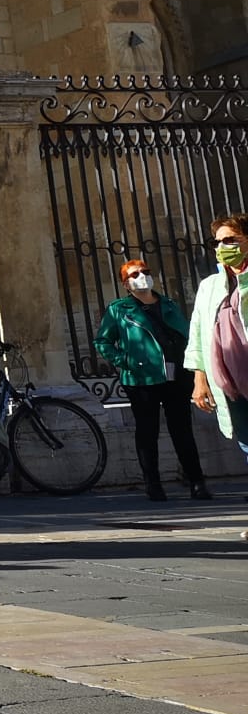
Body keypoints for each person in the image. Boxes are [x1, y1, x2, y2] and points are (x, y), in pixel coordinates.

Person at [95, 258, 208, 502]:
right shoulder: (119, 309)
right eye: (134, 275)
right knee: (147, 431)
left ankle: (197, 481)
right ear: (126, 284)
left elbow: (185, 333)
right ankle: (153, 484)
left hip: (176, 375)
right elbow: (103, 341)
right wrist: (124, 360)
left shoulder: (168, 304)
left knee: (183, 430)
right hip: (140, 377)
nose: (142, 277)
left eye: (145, 272)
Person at [186, 211, 248, 479]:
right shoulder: (210, 286)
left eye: (230, 240)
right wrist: (200, 380)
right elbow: (198, 332)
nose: (223, 247)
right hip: (230, 382)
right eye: (217, 242)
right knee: (245, 439)